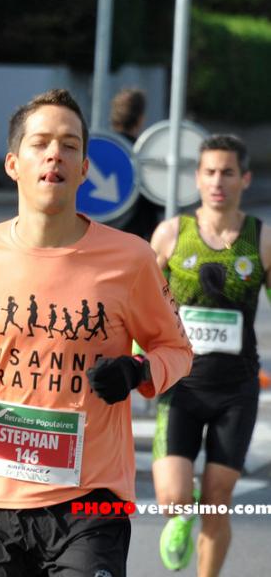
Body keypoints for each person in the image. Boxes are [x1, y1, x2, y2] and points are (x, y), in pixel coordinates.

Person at [0, 88, 193, 576]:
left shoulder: (130, 259)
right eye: (40, 143)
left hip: (92, 499)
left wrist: (137, 370)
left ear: (84, 168)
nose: (54, 155)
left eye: (69, 145)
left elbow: (177, 350)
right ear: (13, 164)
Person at [151, 134, 270, 576]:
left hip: (236, 390)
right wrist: (136, 362)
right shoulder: (171, 234)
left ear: (245, 179)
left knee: (219, 500)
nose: (218, 181)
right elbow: (139, 301)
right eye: (210, 172)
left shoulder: (261, 239)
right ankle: (183, 513)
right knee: (172, 497)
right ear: (197, 178)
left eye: (227, 173)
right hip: (180, 386)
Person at [109, 87, 162, 240]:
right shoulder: (144, 156)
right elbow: (156, 199)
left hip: (101, 234)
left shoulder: (99, 151)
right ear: (140, 119)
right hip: (137, 236)